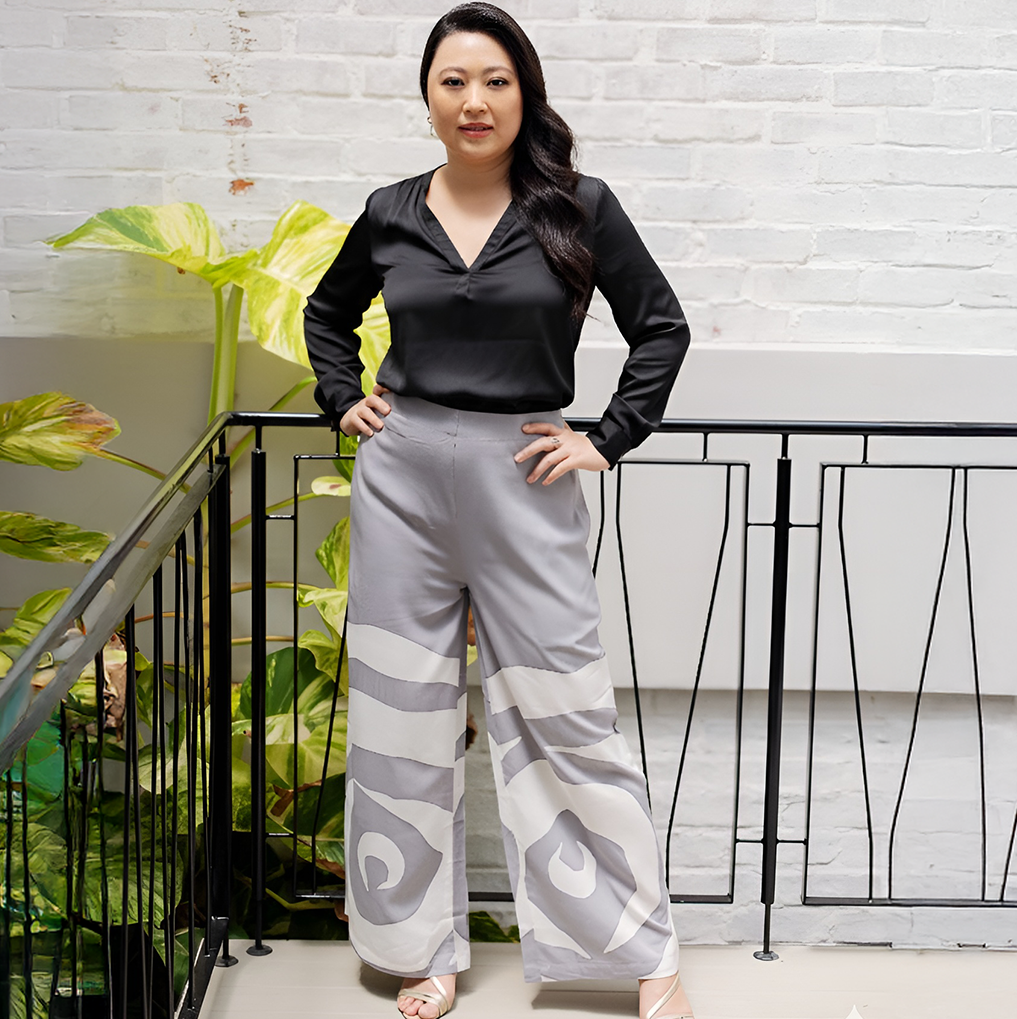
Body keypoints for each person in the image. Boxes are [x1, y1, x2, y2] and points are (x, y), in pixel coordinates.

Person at [303, 5, 694, 1018]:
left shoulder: (579, 206)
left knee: (569, 717)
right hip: (403, 481)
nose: (473, 102)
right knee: (401, 717)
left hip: (525, 479)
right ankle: (418, 950)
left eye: (495, 81)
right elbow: (327, 312)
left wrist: (603, 436)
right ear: (428, 97)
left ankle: (645, 953)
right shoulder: (392, 209)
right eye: (452, 82)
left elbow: (661, 325)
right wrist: (343, 394)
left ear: (525, 92)